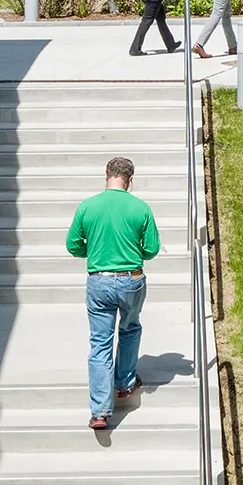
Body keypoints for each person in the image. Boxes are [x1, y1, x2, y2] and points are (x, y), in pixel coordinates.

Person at [67, 157, 162, 431]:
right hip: (131, 278)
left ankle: (99, 411)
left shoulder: (88, 206)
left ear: (106, 175)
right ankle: (124, 383)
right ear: (130, 179)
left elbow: (73, 245)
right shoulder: (140, 207)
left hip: (99, 280)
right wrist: (133, 254)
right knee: (130, 328)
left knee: (100, 343)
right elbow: (152, 249)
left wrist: (95, 251)